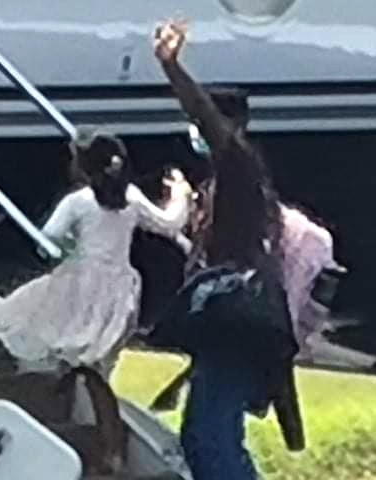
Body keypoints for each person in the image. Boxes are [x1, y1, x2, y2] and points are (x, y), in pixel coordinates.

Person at [0, 127, 192, 472]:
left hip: (79, 286)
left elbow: (47, 238)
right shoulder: (132, 199)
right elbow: (168, 224)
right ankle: (87, 418)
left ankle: (109, 448)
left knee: (48, 339)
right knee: (91, 363)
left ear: (80, 167)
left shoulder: (77, 202)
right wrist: (179, 193)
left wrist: (64, 251)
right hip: (117, 292)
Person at [149, 20, 299, 479]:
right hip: (229, 325)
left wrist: (172, 67)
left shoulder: (238, 165)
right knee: (205, 437)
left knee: (211, 441)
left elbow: (206, 118)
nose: (195, 131)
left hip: (239, 324)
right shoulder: (226, 186)